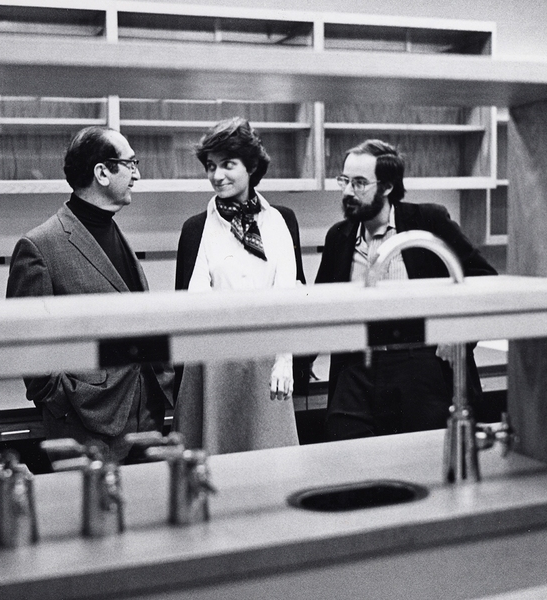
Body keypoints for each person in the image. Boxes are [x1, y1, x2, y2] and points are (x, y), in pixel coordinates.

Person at [6, 126, 174, 463]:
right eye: (131, 163)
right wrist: (64, 402)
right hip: (87, 426)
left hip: (146, 419)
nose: (137, 174)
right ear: (102, 172)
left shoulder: (111, 229)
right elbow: (25, 344)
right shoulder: (40, 246)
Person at [315, 139, 497, 440]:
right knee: (346, 460)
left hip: (420, 365)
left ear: (387, 187)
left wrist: (458, 334)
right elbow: (321, 302)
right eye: (344, 181)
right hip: (357, 367)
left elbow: (482, 276)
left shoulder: (427, 221)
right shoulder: (339, 236)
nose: (348, 191)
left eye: (359, 183)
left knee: (423, 462)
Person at [173, 117, 306, 454]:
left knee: (271, 464)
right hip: (213, 363)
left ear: (251, 167)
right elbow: (192, 301)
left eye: (228, 164)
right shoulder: (197, 227)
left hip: (268, 362)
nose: (217, 175)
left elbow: (287, 292)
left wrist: (285, 360)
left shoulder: (279, 220)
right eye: (211, 166)